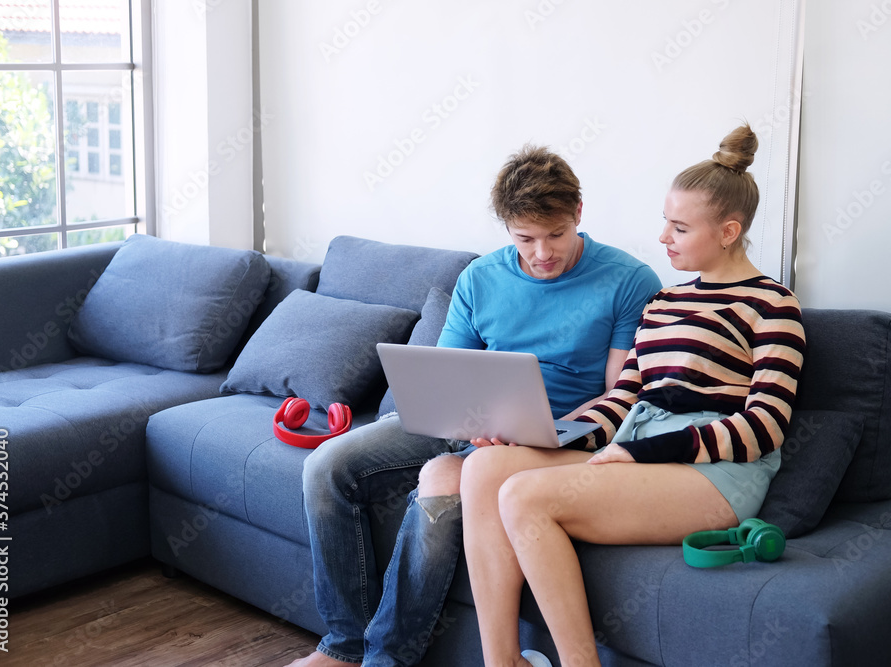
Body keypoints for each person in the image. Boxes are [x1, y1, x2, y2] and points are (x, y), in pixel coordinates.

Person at [285, 145, 661, 667]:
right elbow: (448, 378)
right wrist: (477, 420)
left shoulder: (629, 281)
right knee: (324, 467)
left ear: (578, 213)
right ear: (506, 227)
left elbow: (623, 394)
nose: (542, 253)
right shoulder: (481, 278)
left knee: (442, 480)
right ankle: (344, 647)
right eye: (524, 238)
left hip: (557, 438)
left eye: (555, 234)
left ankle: (386, 659)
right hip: (470, 423)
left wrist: (531, 432)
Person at [459, 125, 806, 667]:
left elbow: (764, 427)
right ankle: (502, 662)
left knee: (524, 496)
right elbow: (624, 398)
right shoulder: (664, 302)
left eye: (680, 226)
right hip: (635, 450)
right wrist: (549, 435)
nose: (663, 236)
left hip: (713, 473)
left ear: (728, 231)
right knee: (485, 468)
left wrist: (636, 451)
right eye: (665, 221)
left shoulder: (771, 304)